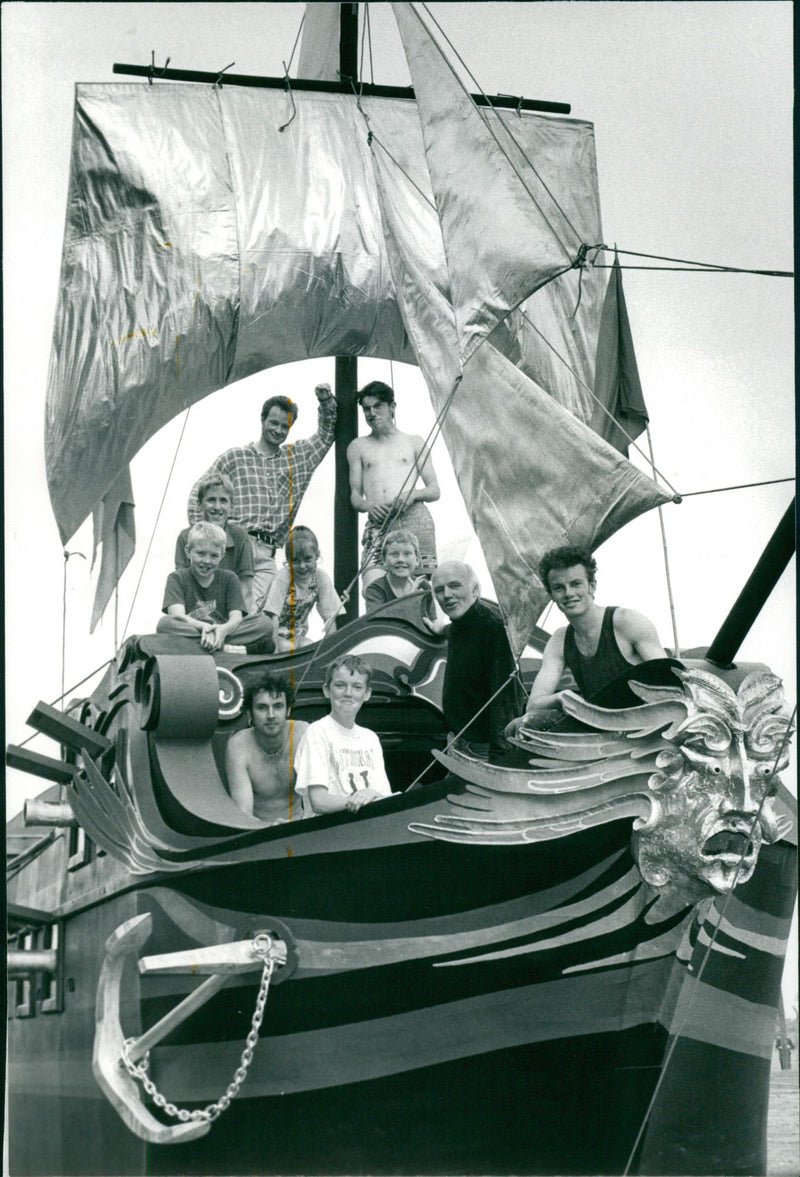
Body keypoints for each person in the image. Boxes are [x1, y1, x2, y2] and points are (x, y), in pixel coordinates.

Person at [188, 382, 337, 610]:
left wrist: (326, 402)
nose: (278, 430)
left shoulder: (297, 458)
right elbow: (198, 495)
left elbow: (326, 436)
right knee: (220, 607)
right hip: (231, 544)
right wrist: (205, 536)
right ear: (262, 420)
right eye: (273, 423)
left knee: (256, 611)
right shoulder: (234, 458)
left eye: (284, 426)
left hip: (265, 553)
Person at [506, 545, 666, 737]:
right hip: (597, 727)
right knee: (521, 725)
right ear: (551, 595)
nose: (568, 593)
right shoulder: (560, 640)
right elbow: (534, 704)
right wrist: (561, 697)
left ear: (592, 585)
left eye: (576, 584)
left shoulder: (627, 622)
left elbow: (671, 683)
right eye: (559, 587)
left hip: (645, 726)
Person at [426, 561, 524, 762]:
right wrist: (442, 629)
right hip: (457, 742)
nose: (446, 595)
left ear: (475, 589)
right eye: (439, 590)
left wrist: (500, 761)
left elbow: (506, 701)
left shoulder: (496, 629)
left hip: (483, 751)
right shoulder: (458, 626)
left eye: (454, 585)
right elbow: (457, 630)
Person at [347, 381, 440, 593]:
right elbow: (355, 496)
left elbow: (434, 489)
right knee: (372, 587)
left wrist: (413, 495)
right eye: (366, 409)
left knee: (420, 591)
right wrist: (368, 506)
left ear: (392, 407)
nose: (372, 413)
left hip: (414, 517)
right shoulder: (358, 446)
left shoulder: (414, 442)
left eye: (378, 406)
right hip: (378, 521)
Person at [294, 655, 393, 817]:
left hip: (366, 829)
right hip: (327, 833)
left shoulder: (371, 738)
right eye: (340, 685)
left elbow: (385, 796)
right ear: (327, 690)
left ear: (367, 693)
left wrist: (372, 794)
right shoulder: (318, 731)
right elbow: (319, 801)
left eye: (357, 687)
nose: (348, 693)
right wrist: (357, 799)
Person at [156, 522, 273, 652]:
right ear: (188, 551)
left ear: (222, 556)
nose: (207, 561)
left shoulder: (229, 578)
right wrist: (205, 627)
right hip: (194, 629)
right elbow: (177, 616)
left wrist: (222, 630)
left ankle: (206, 644)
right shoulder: (177, 578)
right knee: (165, 624)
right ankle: (224, 648)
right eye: (201, 553)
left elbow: (236, 617)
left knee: (264, 623)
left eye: (214, 556)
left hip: (223, 630)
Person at [226, 671, 308, 823]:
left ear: (288, 710)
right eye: (262, 708)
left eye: (278, 706)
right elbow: (244, 815)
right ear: (250, 713)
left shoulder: (303, 734)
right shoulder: (238, 746)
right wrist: (269, 828)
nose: (271, 715)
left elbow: (317, 800)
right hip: (261, 835)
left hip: (301, 828)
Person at [175, 473, 254, 613]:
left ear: (231, 506)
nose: (217, 507)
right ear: (199, 504)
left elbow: (246, 589)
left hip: (231, 613)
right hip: (197, 615)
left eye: (223, 501)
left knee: (263, 623)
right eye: (211, 500)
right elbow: (183, 587)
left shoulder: (240, 536)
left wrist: (233, 622)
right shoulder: (185, 536)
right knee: (166, 623)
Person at [263, 526, 344, 652]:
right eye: (295, 560)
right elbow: (273, 616)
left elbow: (330, 618)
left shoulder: (320, 577)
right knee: (286, 648)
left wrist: (329, 650)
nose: (302, 566)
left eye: (307, 559)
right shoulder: (283, 577)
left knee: (308, 646)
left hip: (296, 634)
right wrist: (274, 654)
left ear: (317, 555)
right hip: (270, 634)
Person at [363, 529, 429, 609]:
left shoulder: (423, 586)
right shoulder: (374, 590)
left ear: (417, 560)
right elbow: (379, 621)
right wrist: (407, 600)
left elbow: (433, 620)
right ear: (384, 561)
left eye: (407, 554)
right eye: (394, 554)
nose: (400, 559)